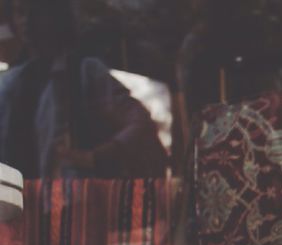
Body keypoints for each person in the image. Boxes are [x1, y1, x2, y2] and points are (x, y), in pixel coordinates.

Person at [0, 0, 167, 178]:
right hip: (28, 197)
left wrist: (95, 157)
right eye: (20, 12)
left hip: (80, 196)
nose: (27, 20)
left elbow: (139, 123)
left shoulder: (86, 72)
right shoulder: (11, 83)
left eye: (34, 11)